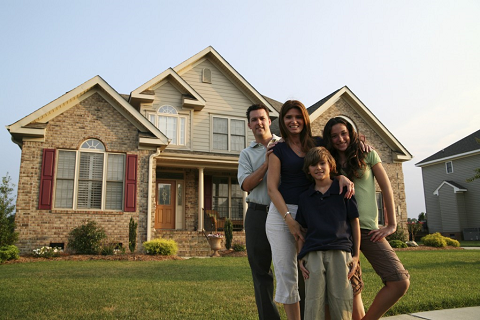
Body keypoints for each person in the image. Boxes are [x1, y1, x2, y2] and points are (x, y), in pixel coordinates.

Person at [266, 100, 355, 320]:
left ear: (305, 119)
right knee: (288, 275)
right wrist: (290, 220)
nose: (293, 121)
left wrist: (341, 175)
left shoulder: (317, 142)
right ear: (282, 121)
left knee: (314, 272)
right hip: (282, 214)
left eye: (298, 116)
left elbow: (338, 154)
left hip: (313, 211)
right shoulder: (277, 149)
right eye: (288, 117)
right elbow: (271, 188)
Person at [323, 117, 410, 320]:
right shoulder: (328, 160)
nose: (340, 139)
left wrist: (391, 224)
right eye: (334, 135)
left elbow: (386, 187)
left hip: (369, 230)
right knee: (353, 290)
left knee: (399, 281)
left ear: (351, 133)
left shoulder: (367, 153)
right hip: (341, 232)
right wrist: (337, 176)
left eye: (344, 133)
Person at [296, 146, 360, 320]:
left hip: (340, 251)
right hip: (313, 253)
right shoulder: (305, 197)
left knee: (342, 301)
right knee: (313, 303)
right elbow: (302, 229)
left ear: (330, 165)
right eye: (313, 165)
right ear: (308, 170)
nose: (318, 168)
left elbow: (355, 222)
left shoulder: (344, 190)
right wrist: (300, 256)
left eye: (322, 163)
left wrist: (356, 255)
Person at [238, 103, 281, 320]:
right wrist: (265, 164)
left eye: (262, 118)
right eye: (254, 120)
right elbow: (246, 185)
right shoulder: (246, 154)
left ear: (269, 120)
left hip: (284, 214)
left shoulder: (285, 145)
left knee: (293, 268)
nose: (258, 123)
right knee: (261, 273)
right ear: (249, 125)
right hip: (257, 214)